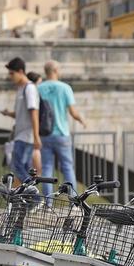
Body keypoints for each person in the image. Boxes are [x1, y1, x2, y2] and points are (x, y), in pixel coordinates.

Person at [38, 60, 87, 201]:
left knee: (46, 169)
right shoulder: (65, 88)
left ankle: (48, 204)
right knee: (67, 168)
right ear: (55, 71)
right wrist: (81, 120)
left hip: (45, 134)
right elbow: (73, 112)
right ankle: (74, 203)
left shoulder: (39, 88)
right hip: (62, 134)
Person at [0, 57, 42, 184]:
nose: (10, 77)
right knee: (24, 167)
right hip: (21, 134)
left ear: (21, 71)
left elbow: (34, 113)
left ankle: (32, 192)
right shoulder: (21, 89)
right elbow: (21, 114)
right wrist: (8, 113)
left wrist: (36, 137)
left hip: (26, 136)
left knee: (16, 165)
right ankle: (29, 194)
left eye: (12, 73)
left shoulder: (29, 88)